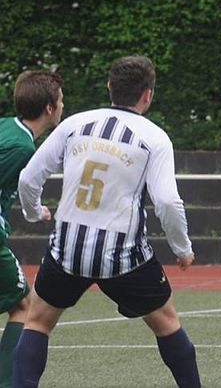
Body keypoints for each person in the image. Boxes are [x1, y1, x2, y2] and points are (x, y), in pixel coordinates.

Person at [14, 56, 200, 388]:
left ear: (110, 86)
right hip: (123, 257)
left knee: (38, 323)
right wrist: (182, 249)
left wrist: (34, 212)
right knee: (167, 325)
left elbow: (29, 178)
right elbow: (167, 202)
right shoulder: (154, 138)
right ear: (148, 95)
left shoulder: (75, 124)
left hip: (67, 251)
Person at [0, 71, 63, 388]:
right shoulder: (21, 148)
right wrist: (37, 211)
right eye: (61, 100)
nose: (63, 106)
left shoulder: (6, 126)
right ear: (49, 108)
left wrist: (36, 209)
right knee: (24, 306)